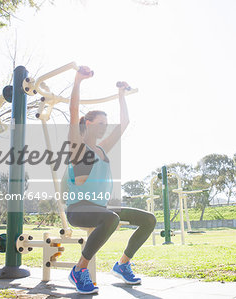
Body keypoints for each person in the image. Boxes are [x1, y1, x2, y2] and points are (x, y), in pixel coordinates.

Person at [61, 66, 157, 295]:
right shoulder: (77, 146)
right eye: (100, 124)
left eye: (106, 123)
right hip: (78, 209)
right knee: (111, 218)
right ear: (88, 125)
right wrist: (78, 81)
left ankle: (122, 264)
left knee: (148, 219)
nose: (105, 127)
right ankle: (78, 270)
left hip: (101, 208)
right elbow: (74, 111)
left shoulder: (102, 150)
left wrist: (121, 96)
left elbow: (124, 123)